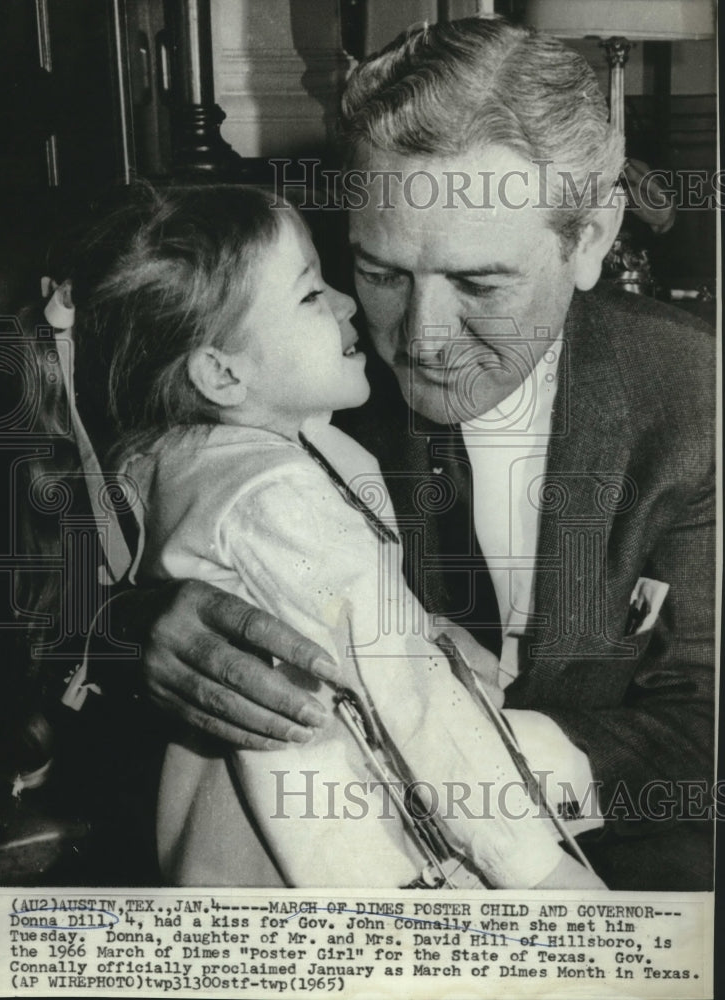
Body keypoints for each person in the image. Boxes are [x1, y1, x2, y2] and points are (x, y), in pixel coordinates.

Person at [106, 18, 714, 890]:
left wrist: (485, 772)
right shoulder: (291, 370)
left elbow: (706, 716)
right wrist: (146, 634)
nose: (419, 340)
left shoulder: (696, 397)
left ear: (589, 240)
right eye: (380, 273)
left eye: (479, 283)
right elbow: (82, 563)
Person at [41, 183, 603, 889]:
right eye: (311, 295)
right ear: (219, 372)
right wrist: (546, 878)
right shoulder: (278, 496)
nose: (345, 305)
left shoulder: (177, 452)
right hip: (337, 832)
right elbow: (412, 703)